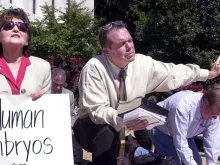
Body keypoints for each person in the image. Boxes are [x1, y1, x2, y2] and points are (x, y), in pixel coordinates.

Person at [73, 21, 220, 165]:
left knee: (147, 145)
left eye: (130, 40)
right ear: (107, 52)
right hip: (90, 127)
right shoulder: (94, 67)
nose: (129, 46)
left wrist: (208, 74)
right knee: (107, 131)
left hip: (126, 129)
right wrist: (125, 120)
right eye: (122, 44)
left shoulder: (142, 64)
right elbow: (98, 112)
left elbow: (174, 73)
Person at [149, 88, 220, 165]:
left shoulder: (214, 112)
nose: (215, 118)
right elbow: (180, 142)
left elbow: (212, 141)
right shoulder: (183, 107)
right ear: (205, 103)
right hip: (162, 131)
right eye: (213, 114)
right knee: (178, 163)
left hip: (185, 135)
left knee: (197, 162)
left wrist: (211, 163)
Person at [0, 8, 51, 99]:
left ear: (27, 40)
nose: (16, 29)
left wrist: (47, 98)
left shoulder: (43, 67)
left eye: (22, 27)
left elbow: (49, 107)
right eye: (9, 26)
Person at [51, 68, 91, 165]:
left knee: (76, 134)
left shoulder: (69, 95)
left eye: (62, 84)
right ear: (50, 80)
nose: (59, 87)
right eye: (56, 84)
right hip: (47, 126)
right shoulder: (43, 93)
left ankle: (77, 160)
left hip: (64, 126)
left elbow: (72, 114)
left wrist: (71, 127)